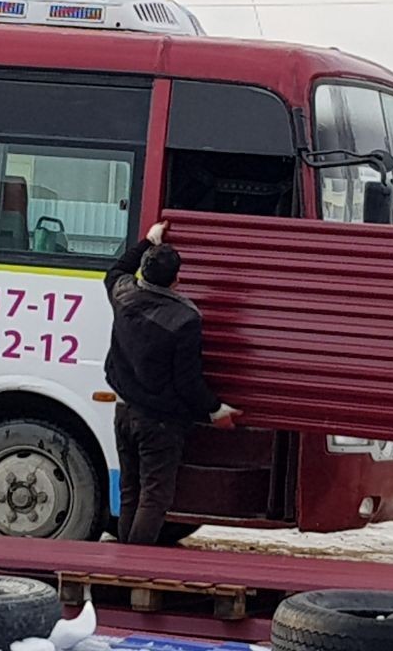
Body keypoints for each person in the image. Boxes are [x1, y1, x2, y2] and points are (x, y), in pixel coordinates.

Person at [104, 220, 241, 545]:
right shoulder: (184, 319)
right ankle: (132, 567)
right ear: (177, 280)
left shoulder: (123, 294)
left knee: (130, 491)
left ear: (144, 272)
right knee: (154, 496)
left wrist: (147, 241)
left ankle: (123, 564)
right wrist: (215, 409)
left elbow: (116, 269)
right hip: (159, 423)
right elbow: (188, 380)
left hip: (123, 411)